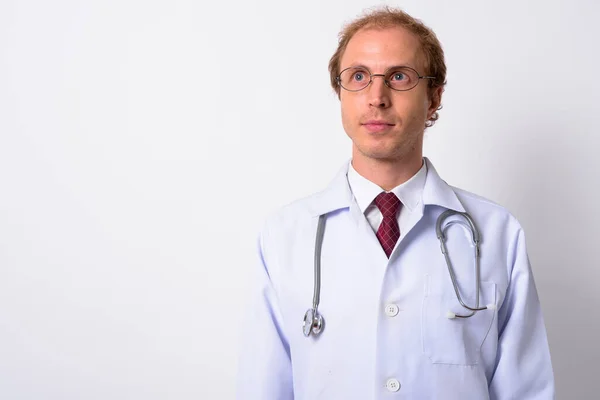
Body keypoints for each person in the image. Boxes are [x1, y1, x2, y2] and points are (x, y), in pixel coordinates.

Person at [236, 6, 554, 400]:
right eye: (358, 76)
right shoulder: (285, 235)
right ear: (340, 94)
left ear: (434, 97)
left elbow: (526, 390)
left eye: (399, 77)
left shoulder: (497, 232)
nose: (376, 97)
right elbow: (263, 387)